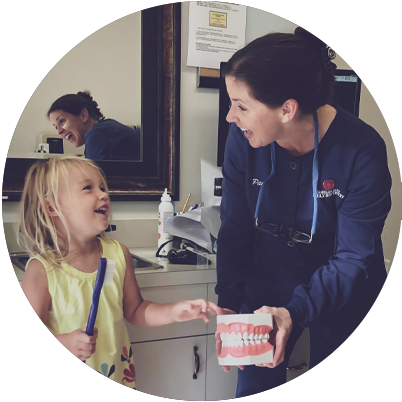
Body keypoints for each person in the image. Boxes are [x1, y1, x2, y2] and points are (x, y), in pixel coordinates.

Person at [215, 27, 392, 398]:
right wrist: (230, 305)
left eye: (241, 106)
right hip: (268, 280)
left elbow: (352, 257)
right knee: (254, 386)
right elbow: (235, 227)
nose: (231, 117)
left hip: (346, 289)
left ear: (287, 109)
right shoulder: (243, 140)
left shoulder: (361, 150)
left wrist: (296, 310)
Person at [19, 156, 221, 389]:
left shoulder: (117, 254)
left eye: (102, 187)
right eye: (88, 188)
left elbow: (136, 310)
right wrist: (64, 344)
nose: (103, 194)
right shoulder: (42, 271)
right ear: (52, 207)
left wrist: (174, 311)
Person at [48, 91, 141, 161]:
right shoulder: (106, 127)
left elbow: (92, 180)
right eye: (56, 127)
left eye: (62, 121)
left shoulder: (97, 135)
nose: (59, 131)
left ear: (83, 115)